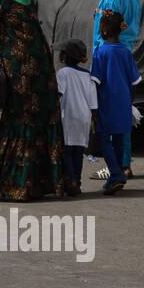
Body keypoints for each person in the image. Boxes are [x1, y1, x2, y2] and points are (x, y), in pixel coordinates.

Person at [0, 0, 67, 201]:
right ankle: (47, 184)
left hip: (19, 71)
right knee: (38, 119)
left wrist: (5, 46)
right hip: (43, 69)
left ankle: (16, 186)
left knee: (17, 119)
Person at [92, 0, 142, 180]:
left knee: (108, 111)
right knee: (124, 109)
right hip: (126, 53)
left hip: (109, 56)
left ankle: (116, 166)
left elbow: (104, 30)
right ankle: (125, 163)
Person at [91, 13, 139, 195]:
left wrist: (94, 108)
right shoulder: (126, 52)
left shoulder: (100, 53)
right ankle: (115, 176)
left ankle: (116, 173)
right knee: (119, 140)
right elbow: (135, 82)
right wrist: (129, 103)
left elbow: (95, 82)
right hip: (123, 104)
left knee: (103, 139)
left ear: (103, 31)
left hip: (105, 104)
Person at [56, 39, 96, 196]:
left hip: (68, 117)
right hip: (84, 118)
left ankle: (71, 182)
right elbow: (94, 104)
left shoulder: (63, 73)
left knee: (67, 151)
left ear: (64, 56)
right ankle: (77, 182)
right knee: (78, 152)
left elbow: (59, 94)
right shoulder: (88, 76)